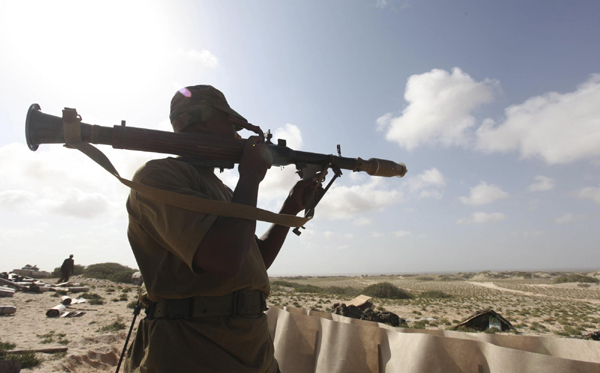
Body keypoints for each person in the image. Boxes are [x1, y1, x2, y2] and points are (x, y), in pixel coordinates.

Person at [124, 85, 319, 372]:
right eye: (232, 126)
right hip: (192, 349)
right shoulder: (158, 176)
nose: (238, 137)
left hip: (252, 349)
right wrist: (250, 176)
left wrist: (289, 208)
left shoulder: (224, 190)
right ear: (202, 123)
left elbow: (254, 260)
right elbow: (224, 260)